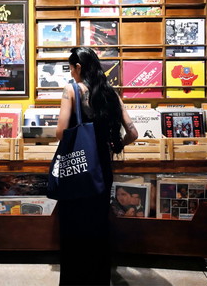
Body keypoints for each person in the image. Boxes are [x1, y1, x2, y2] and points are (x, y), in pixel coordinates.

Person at [56, 47, 138, 285]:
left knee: (74, 227)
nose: (71, 73)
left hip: (77, 167)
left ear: (78, 67)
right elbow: (133, 133)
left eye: (71, 68)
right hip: (102, 167)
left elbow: (61, 132)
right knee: (99, 224)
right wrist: (115, 146)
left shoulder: (71, 90)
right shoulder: (110, 93)